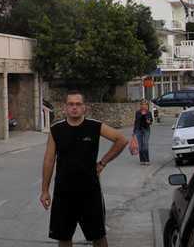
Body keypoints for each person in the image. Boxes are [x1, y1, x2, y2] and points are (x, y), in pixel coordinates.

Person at [40, 91, 129, 247]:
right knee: (64, 237)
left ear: (84, 108)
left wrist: (103, 162)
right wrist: (45, 190)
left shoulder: (94, 126)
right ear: (65, 107)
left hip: (90, 192)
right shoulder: (56, 130)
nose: (74, 107)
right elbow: (48, 160)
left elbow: (121, 140)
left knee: (99, 237)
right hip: (63, 193)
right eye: (71, 104)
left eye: (78, 104)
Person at [133, 99, 153, 165]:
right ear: (140, 105)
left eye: (145, 104)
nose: (143, 106)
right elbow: (136, 122)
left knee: (145, 144)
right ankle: (142, 160)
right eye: (142, 104)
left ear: (147, 106)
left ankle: (147, 160)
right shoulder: (137, 112)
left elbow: (151, 122)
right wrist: (134, 132)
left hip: (146, 130)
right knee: (140, 146)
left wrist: (149, 122)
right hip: (138, 130)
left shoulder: (149, 113)